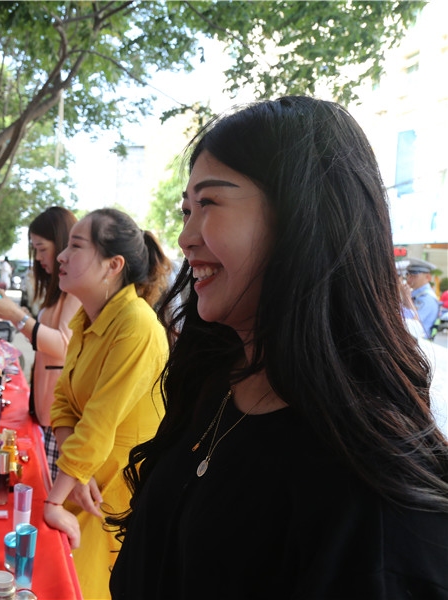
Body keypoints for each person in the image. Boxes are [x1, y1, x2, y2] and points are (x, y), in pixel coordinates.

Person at [108, 97, 448, 599]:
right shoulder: (210, 384)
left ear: (303, 219)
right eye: (186, 210)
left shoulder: (372, 504)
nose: (185, 237)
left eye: (209, 204)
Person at [41, 208, 171, 600]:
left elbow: (99, 421)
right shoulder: (86, 320)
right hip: (85, 483)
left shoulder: (136, 325)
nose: (61, 256)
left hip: (113, 498)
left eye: (76, 246)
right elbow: (62, 403)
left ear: (113, 265)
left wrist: (54, 499)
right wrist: (75, 475)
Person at [0, 206, 81, 481]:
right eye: (34, 250)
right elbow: (45, 335)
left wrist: (17, 316)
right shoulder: (60, 289)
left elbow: (63, 345)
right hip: (48, 407)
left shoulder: (75, 290)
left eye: (41, 249)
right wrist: (17, 315)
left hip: (59, 413)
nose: (38, 258)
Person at [406, 257, 440, 338]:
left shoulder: (426, 298)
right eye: (408, 275)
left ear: (428, 277)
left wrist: (407, 299)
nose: (409, 279)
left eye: (414, 275)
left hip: (419, 342)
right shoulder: (415, 294)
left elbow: (413, 325)